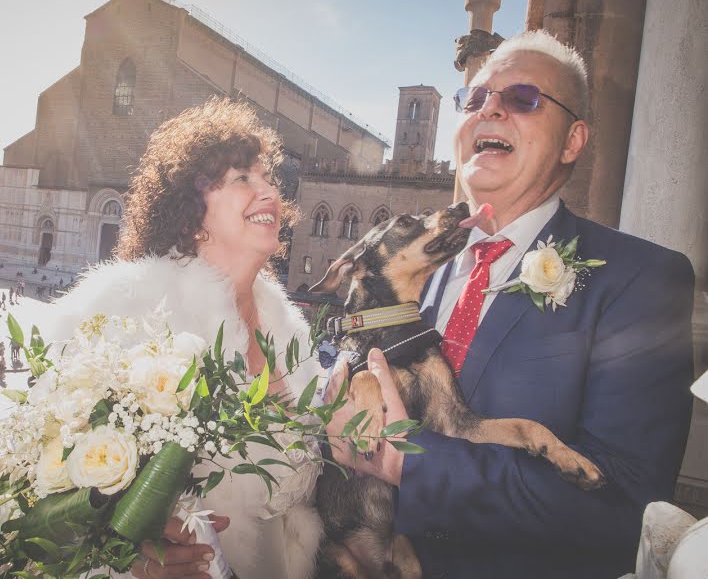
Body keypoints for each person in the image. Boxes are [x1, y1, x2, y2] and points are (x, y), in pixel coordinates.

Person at [323, 31, 695, 579]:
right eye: (473, 99)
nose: (489, 107)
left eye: (522, 98)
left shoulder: (643, 279)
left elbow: (624, 510)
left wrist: (409, 463)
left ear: (572, 141)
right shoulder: (406, 269)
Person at [48, 98, 322, 579]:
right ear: (193, 213)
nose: (269, 192)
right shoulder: (127, 307)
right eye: (242, 178)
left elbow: (298, 473)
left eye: (269, 179)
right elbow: (52, 476)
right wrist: (125, 556)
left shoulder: (287, 326)